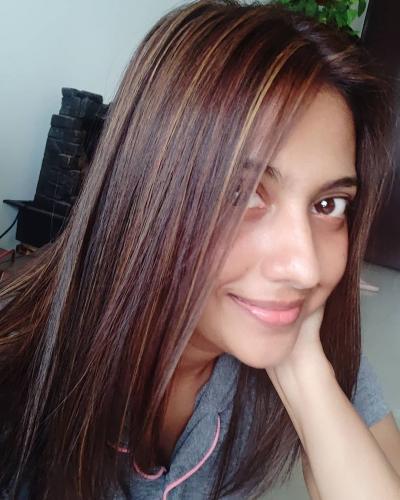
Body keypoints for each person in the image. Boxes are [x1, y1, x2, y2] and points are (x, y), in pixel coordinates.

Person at [0, 1, 399, 499]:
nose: (305, 267)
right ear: (147, 190)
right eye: (244, 194)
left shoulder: (305, 337)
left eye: (328, 204)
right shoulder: (23, 372)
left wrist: (302, 370)